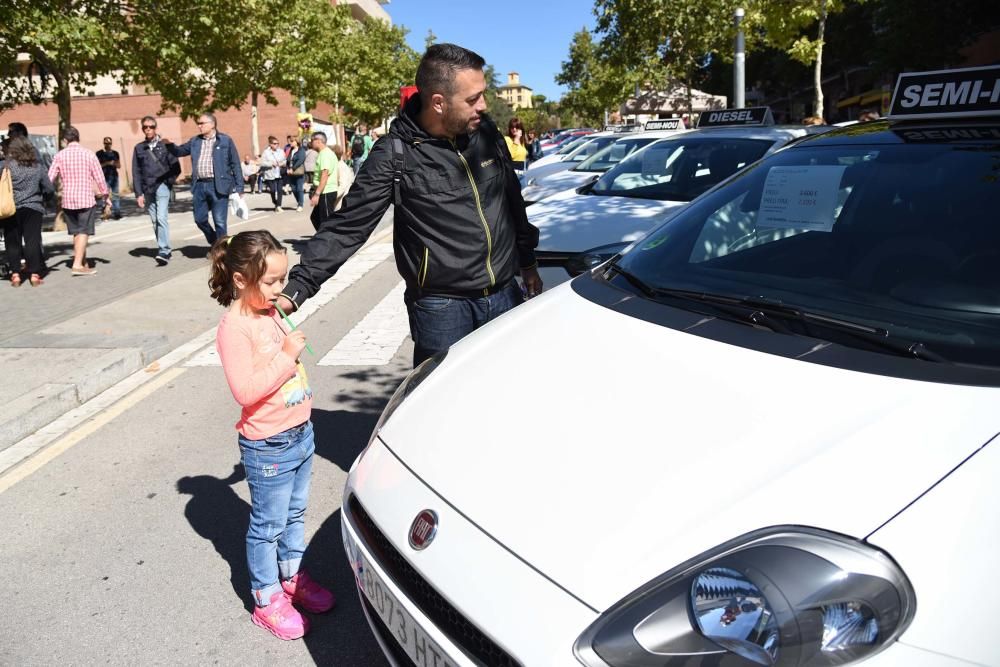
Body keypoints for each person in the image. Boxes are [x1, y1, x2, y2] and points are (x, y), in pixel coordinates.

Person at [276, 43, 542, 367]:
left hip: (504, 294)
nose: (483, 106)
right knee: (441, 406)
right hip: (442, 309)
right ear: (439, 103)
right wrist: (298, 288)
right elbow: (348, 226)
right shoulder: (395, 153)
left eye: (483, 94)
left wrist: (527, 260)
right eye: (473, 99)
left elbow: (510, 197)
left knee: (507, 392)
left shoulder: (485, 132)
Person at [209, 229, 335, 640]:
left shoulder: (269, 312)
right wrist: (286, 357)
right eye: (272, 282)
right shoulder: (235, 327)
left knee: (295, 514)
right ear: (241, 280)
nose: (282, 290)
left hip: (300, 433)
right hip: (269, 444)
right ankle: (266, 598)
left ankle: (292, 576)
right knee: (268, 525)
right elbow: (244, 391)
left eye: (283, 280)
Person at [165, 112, 243, 244]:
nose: (199, 126)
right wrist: (169, 144)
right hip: (199, 186)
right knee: (199, 219)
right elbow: (180, 151)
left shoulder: (225, 140)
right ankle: (215, 242)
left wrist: (239, 187)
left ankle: (222, 252)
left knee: (219, 221)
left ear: (212, 125)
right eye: (198, 123)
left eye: (202, 123)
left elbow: (235, 163)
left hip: (218, 185)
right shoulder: (195, 141)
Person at [48, 126, 109, 276]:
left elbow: (50, 177)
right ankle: (77, 265)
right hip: (85, 198)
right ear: (78, 138)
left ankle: (82, 261)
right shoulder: (89, 154)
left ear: (65, 140)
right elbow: (99, 177)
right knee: (84, 231)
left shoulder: (59, 156)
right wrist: (106, 195)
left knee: (76, 232)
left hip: (68, 199)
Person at [2, 136, 54, 286]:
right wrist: (44, 199)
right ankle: (34, 274)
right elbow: (49, 188)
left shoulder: (7, 166)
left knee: (12, 241)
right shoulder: (37, 167)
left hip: (11, 208)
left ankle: (16, 274)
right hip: (34, 208)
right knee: (32, 240)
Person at [132, 115, 181, 266]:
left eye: (151, 127)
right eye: (145, 127)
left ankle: (164, 251)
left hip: (162, 186)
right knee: (154, 221)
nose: (148, 130)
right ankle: (163, 247)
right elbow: (136, 172)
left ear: (155, 128)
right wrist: (138, 193)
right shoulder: (139, 148)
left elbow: (176, 167)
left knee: (161, 218)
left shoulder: (165, 145)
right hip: (148, 188)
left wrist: (168, 182)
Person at [307, 131, 338, 229]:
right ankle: (322, 239)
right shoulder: (324, 153)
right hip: (324, 191)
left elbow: (325, 175)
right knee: (315, 218)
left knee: (326, 221)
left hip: (326, 191)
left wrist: (317, 194)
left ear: (318, 141)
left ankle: (329, 242)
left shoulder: (325, 154)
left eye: (312, 140)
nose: (311, 143)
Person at [95, 137, 122, 219]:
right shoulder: (99, 153)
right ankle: (104, 213)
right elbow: (98, 165)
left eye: (109, 143)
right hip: (104, 177)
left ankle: (117, 213)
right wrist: (107, 163)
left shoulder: (115, 153)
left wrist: (114, 164)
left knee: (115, 195)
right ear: (103, 143)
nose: (107, 145)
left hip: (114, 177)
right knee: (105, 196)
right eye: (106, 143)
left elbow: (119, 165)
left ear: (111, 143)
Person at [259, 135, 286, 213]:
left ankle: (279, 206)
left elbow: (285, 161)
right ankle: (275, 202)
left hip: (279, 173)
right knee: (273, 190)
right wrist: (271, 164)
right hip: (270, 174)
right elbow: (262, 163)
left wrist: (282, 164)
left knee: (280, 190)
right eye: (274, 143)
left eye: (277, 143)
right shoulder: (266, 152)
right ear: (270, 144)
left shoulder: (281, 151)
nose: (276, 145)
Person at [329, 144, 355, 211]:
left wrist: (332, 197)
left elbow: (342, 186)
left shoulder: (341, 166)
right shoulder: (337, 165)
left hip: (340, 202)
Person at [286, 138, 306, 212]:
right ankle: (299, 202)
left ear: (296, 142)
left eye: (292, 141)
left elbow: (300, 160)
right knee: (293, 189)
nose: (290, 143)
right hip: (291, 172)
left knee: (299, 189)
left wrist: (293, 168)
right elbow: (288, 160)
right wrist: (288, 168)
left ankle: (300, 204)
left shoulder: (301, 150)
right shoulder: (290, 150)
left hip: (298, 172)